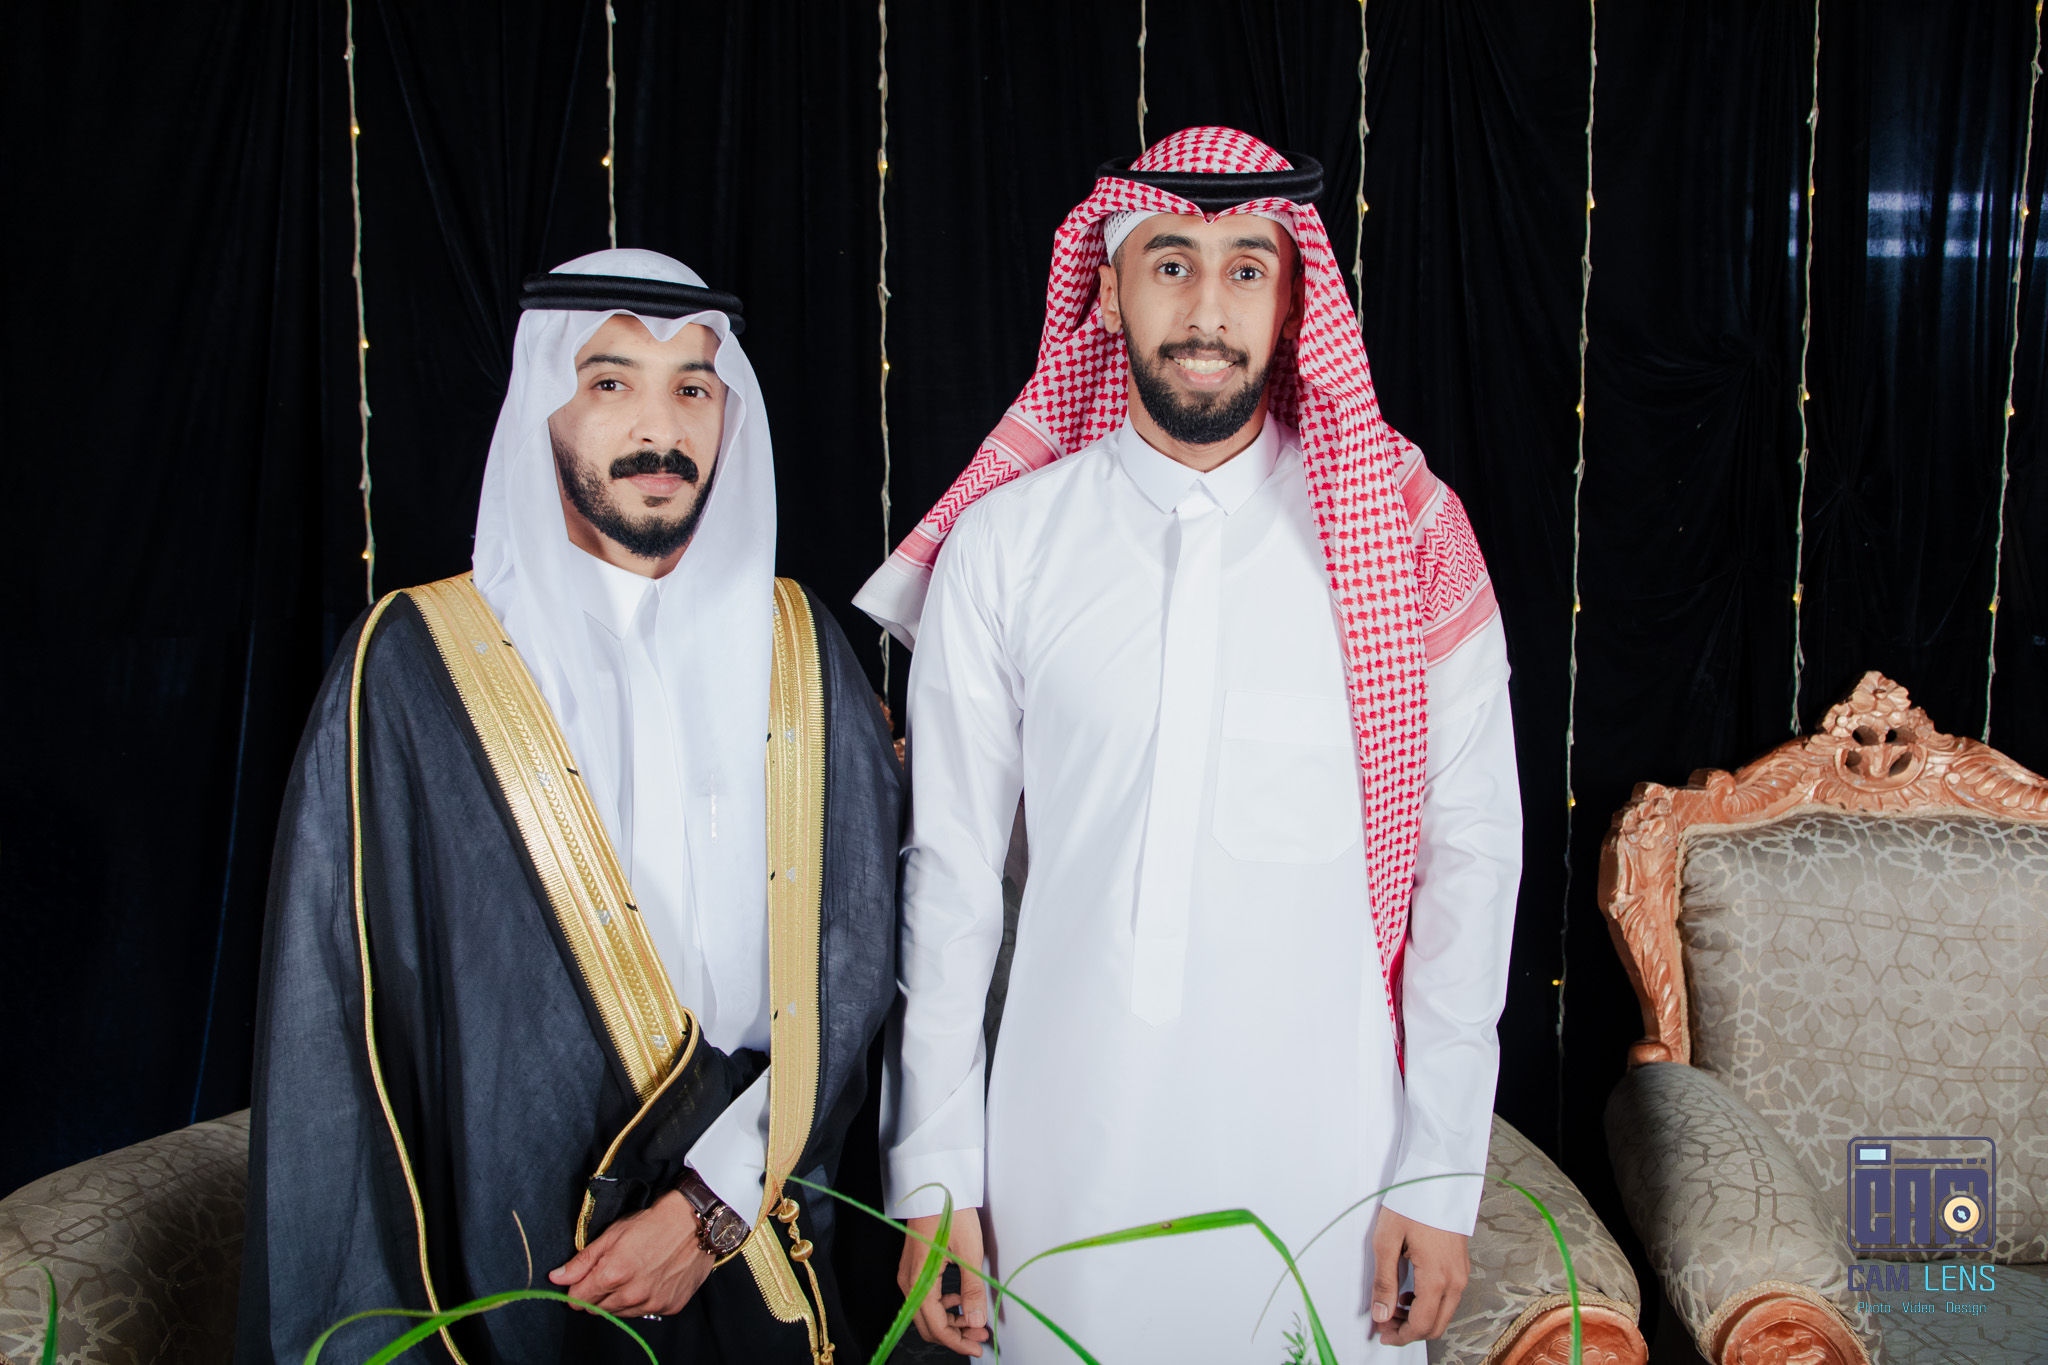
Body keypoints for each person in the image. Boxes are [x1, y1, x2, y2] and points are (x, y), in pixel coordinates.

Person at [857, 128, 1520, 1361]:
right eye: (1169, 264)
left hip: (1332, 1162)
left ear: (1293, 300)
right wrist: (937, 1177)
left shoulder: (1405, 537)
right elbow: (947, 884)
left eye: (1244, 270)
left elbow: (1468, 865)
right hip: (1063, 1155)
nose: (1206, 310)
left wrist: (1437, 1177)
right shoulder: (1006, 547)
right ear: (1108, 293)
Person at [238, 249, 900, 1365]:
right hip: (507, 1259)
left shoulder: (799, 648)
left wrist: (711, 1205)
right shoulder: (414, 668)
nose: (660, 427)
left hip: (761, 1227)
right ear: (545, 407)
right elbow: (338, 1020)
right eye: (610, 382)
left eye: (692, 387)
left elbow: (853, 962)